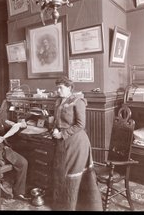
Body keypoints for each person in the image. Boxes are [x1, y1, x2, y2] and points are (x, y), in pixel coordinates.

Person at [51, 76, 103, 211]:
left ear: (69, 88)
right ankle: (63, 204)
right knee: (62, 172)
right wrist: (55, 128)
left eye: (61, 87)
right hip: (62, 143)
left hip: (77, 143)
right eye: (57, 87)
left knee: (73, 173)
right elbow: (57, 121)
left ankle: (76, 206)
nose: (58, 90)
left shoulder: (77, 101)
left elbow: (80, 125)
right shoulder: (58, 101)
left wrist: (62, 134)